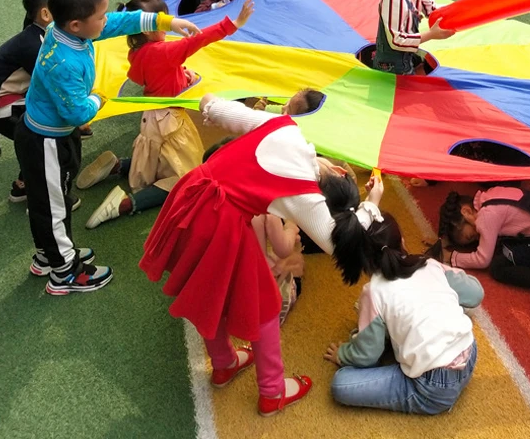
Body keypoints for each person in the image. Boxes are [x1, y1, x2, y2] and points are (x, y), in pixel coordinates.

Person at [139, 94, 384, 416]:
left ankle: (225, 363)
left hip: (191, 199)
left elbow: (220, 107)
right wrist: (372, 203)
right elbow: (334, 243)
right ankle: (272, 391)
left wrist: (209, 104)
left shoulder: (281, 127)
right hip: (219, 223)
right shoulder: (305, 194)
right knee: (264, 304)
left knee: (206, 291)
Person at [13, 0, 199, 295]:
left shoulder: (69, 32)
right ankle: (65, 273)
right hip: (45, 141)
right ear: (75, 24)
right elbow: (77, 113)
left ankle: (50, 254)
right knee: (53, 207)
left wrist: (167, 21)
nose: (106, 20)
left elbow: (119, 21)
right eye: (99, 17)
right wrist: (99, 98)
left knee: (53, 200)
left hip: (55, 135)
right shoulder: (63, 62)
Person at [79, 0, 254, 229]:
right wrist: (233, 24)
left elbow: (141, 76)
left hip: (152, 117)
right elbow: (198, 41)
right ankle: (125, 204)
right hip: (169, 122)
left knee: (155, 159)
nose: (168, 26)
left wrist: (180, 73)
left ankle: (117, 165)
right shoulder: (164, 51)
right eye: (162, 22)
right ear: (150, 30)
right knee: (188, 176)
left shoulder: (138, 52)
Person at [324, 212, 482, 415]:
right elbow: (475, 293)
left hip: (433, 388)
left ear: (363, 263)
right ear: (403, 241)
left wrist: (342, 354)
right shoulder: (429, 264)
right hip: (469, 354)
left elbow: (366, 357)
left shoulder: (373, 292)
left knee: (341, 384)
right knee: (454, 307)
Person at [436, 188, 530, 315]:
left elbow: (482, 260)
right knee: (500, 242)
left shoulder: (486, 216)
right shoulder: (489, 195)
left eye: (471, 236)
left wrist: (452, 257)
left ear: (467, 212)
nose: (476, 238)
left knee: (498, 267)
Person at [0, 0, 56, 203]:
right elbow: (49, 86)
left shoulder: (35, 33)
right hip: (0, 104)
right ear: (46, 14)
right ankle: (23, 186)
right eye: (65, 5)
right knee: (38, 136)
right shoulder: (36, 46)